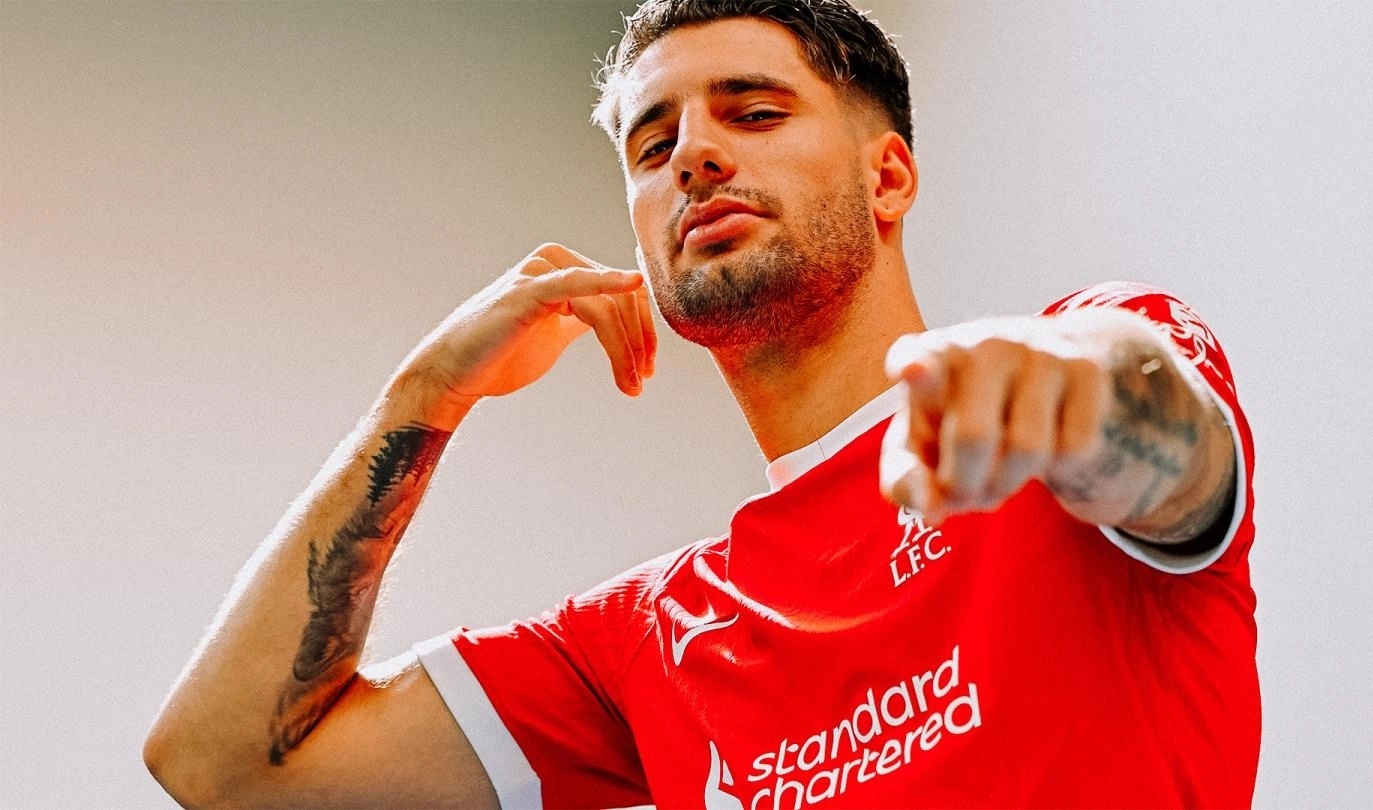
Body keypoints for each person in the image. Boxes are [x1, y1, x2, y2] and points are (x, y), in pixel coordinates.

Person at [144, 0, 1259, 807]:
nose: (694, 157)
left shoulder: (1081, 374)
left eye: (754, 112)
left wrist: (1074, 392)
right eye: (654, 143)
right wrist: (422, 396)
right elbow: (225, 763)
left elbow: (1162, 431)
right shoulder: (645, 639)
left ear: (887, 178)